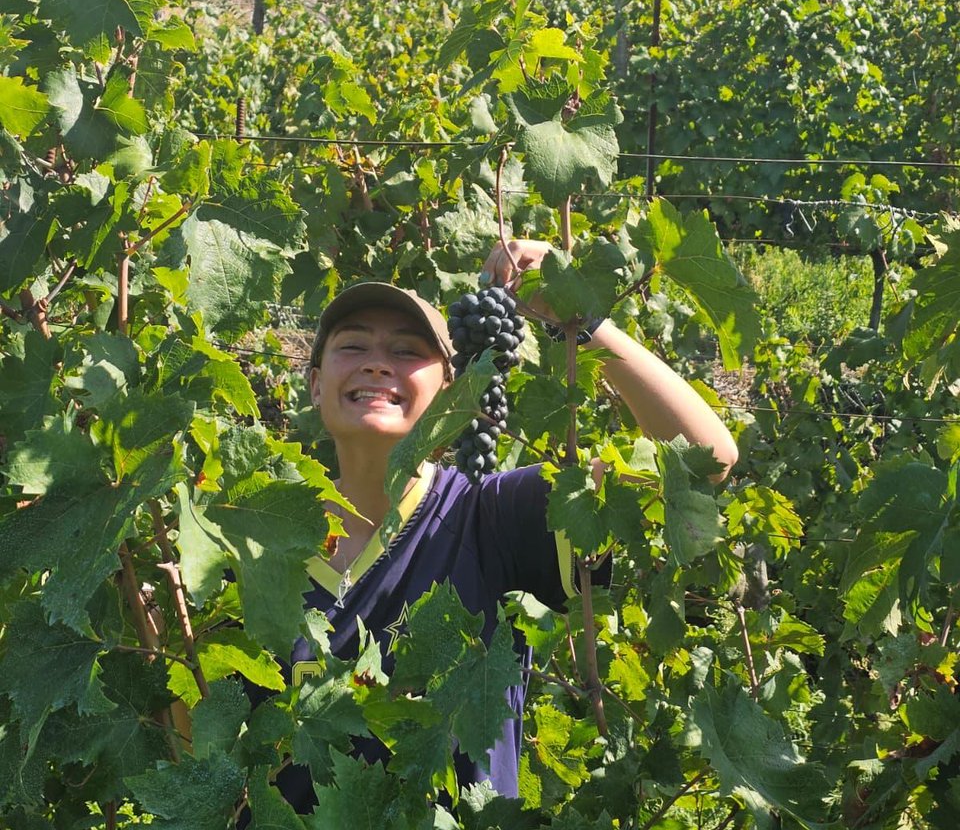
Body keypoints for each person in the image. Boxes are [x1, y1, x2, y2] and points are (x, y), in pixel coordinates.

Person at [274, 238, 738, 812]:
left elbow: (706, 457)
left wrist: (582, 321)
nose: (377, 363)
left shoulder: (495, 517)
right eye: (353, 347)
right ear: (316, 383)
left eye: (406, 350)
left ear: (452, 387)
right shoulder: (262, 542)